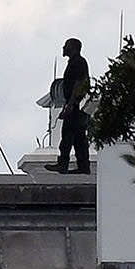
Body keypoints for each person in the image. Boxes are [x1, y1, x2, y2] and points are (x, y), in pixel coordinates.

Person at [55, 36, 93, 174]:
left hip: (76, 105)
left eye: (66, 45)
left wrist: (70, 103)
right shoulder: (76, 62)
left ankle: (63, 164)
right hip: (77, 104)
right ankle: (83, 166)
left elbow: (79, 83)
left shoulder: (78, 62)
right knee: (78, 137)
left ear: (73, 48)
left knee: (68, 135)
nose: (63, 48)